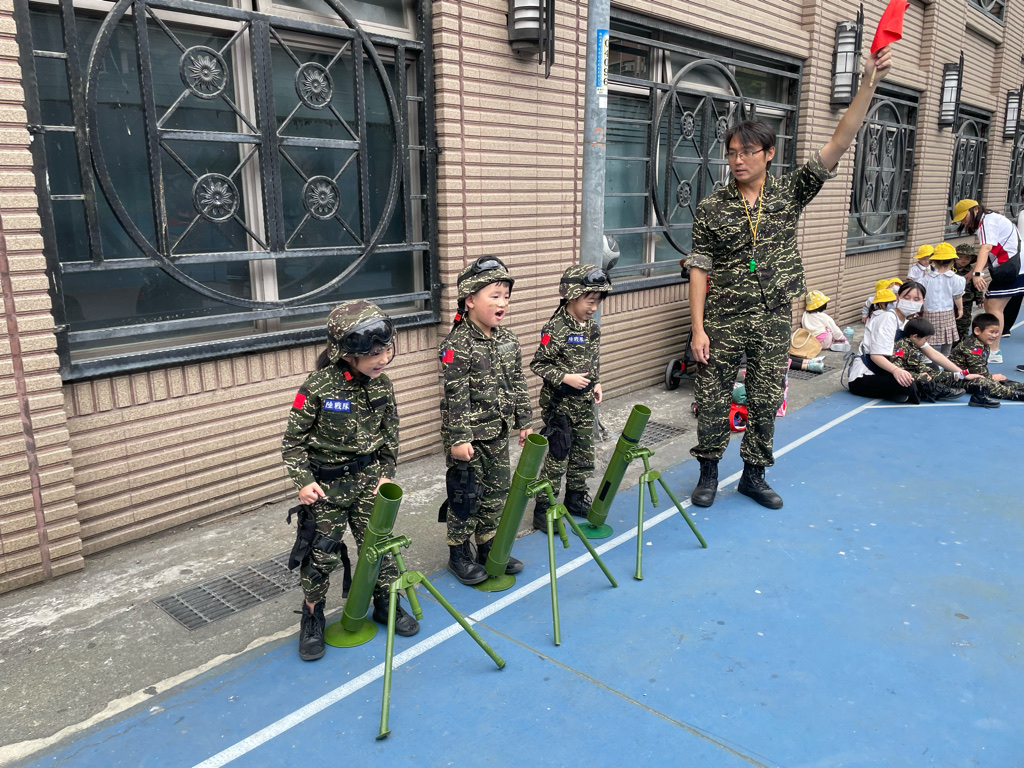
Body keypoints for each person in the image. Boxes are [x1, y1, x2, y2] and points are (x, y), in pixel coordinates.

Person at [685, 45, 893, 510]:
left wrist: (868, 84)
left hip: (774, 313)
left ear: (768, 153)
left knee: (765, 396)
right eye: (732, 153)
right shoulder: (712, 207)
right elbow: (699, 268)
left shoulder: (789, 192)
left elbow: (839, 141)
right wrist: (698, 328)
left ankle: (754, 475)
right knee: (713, 395)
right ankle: (708, 472)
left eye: (747, 152)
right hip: (723, 317)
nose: (738, 161)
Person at [282, 300, 419, 662]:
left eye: (386, 349)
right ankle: (312, 616)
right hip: (327, 489)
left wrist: (387, 473)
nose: (383, 359)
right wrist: (303, 481)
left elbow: (391, 434)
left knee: (379, 547)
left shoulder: (383, 385)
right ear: (345, 353)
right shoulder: (316, 388)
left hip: (370, 481)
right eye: (373, 354)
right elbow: (292, 443)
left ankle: (385, 604)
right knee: (320, 555)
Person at [438, 256, 533, 585]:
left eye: (506, 296)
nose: (502, 303)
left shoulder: (508, 340)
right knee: (466, 496)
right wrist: (459, 439)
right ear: (470, 300)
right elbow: (455, 395)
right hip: (469, 438)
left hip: (498, 431)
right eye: (494, 295)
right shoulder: (457, 345)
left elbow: (518, 381)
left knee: (496, 492)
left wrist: (525, 420)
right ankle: (458, 553)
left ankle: (487, 545)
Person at [529, 264, 611, 529]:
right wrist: (566, 377)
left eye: (597, 301)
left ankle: (575, 498)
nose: (594, 307)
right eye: (590, 301)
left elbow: (592, 359)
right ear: (573, 296)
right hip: (560, 405)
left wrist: (596, 382)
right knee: (558, 454)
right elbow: (539, 364)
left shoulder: (591, 327)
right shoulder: (555, 329)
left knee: (583, 453)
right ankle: (544, 508)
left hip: (583, 403)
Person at [847, 281, 957, 403]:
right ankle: (927, 390)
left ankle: (920, 390)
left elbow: (932, 353)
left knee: (932, 367)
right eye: (907, 297)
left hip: (888, 370)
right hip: (868, 375)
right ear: (898, 297)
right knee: (908, 383)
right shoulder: (887, 318)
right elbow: (876, 356)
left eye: (916, 299)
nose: (911, 302)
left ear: (923, 301)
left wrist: (961, 372)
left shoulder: (909, 323)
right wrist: (896, 371)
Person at [952, 199, 1024, 364]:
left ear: (975, 210)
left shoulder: (987, 222)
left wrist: (977, 273)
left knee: (994, 307)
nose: (963, 222)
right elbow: (990, 253)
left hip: (1012, 267)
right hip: (1013, 266)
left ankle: (993, 351)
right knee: (990, 305)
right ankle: (991, 348)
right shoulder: (990, 219)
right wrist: (971, 273)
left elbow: (986, 248)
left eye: (964, 217)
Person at [889, 316, 993, 406]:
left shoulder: (915, 345)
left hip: (919, 372)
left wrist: (963, 373)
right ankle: (940, 391)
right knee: (925, 379)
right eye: (926, 339)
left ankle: (958, 376)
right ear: (914, 337)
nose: (926, 342)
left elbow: (926, 361)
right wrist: (918, 375)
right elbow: (898, 368)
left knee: (940, 373)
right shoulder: (902, 347)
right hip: (908, 376)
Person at [950, 312, 1024, 402]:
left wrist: (993, 377)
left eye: (997, 332)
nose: (995, 335)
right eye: (991, 332)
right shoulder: (973, 347)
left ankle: (1020, 387)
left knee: (1003, 380)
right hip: (958, 379)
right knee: (985, 384)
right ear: (977, 331)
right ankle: (1016, 395)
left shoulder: (982, 342)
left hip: (973, 375)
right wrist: (992, 377)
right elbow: (978, 371)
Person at [920, 242, 965, 356]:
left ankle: (928, 356)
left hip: (929, 310)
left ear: (934, 262)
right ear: (952, 262)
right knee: (948, 337)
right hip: (947, 310)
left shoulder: (927, 278)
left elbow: (921, 294)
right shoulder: (956, 279)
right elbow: (957, 296)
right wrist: (960, 309)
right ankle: (945, 356)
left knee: (929, 336)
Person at [953, 243, 983, 343]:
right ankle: (951, 342)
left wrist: (979, 299)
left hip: (966, 301)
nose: (963, 260)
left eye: (967, 258)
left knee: (964, 323)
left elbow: (977, 286)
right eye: (960, 257)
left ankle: (962, 342)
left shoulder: (973, 271)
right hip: (950, 302)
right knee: (950, 323)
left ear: (971, 259)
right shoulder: (951, 270)